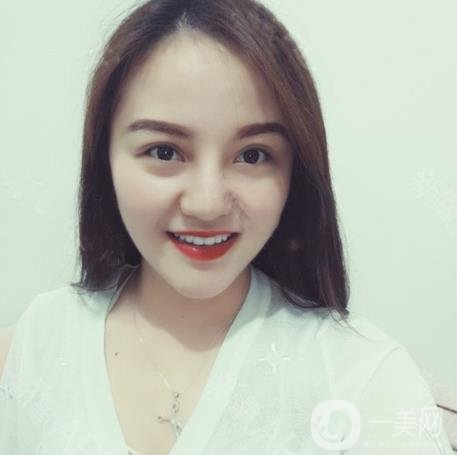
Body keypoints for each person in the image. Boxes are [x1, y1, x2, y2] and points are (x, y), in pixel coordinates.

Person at [0, 0, 453, 454]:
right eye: (164, 151)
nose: (207, 203)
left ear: (294, 173)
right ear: (106, 160)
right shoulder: (38, 344)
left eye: (252, 155)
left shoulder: (363, 380)